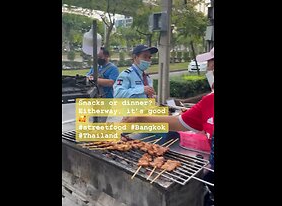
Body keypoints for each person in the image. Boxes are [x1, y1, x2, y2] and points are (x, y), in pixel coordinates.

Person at [122, 47, 215, 205]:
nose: (208, 69)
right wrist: (140, 118)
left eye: (210, 64)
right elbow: (178, 122)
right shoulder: (208, 102)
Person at [86, 47, 119, 123]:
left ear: (106, 56)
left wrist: (95, 80)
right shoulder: (96, 67)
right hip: (94, 98)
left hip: (106, 98)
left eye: (100, 57)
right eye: (96, 57)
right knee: (91, 121)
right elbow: (88, 76)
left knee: (100, 121)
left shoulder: (113, 69)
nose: (98, 59)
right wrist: (90, 78)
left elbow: (111, 82)